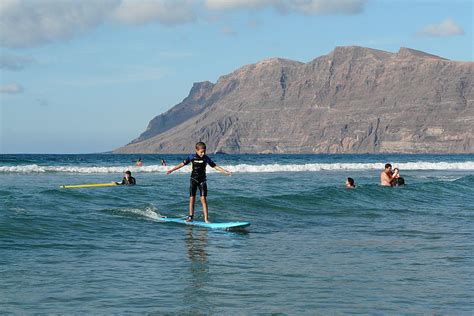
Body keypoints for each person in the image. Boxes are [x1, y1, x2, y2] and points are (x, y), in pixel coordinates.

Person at [166, 142, 231, 223]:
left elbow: (215, 166)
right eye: (201, 152)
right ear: (196, 150)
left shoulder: (206, 158)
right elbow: (181, 164)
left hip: (202, 180)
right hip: (193, 179)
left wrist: (224, 171)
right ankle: (190, 217)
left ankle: (206, 219)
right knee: (192, 198)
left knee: (203, 199)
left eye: (204, 152)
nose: (203, 153)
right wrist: (171, 170)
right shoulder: (191, 157)